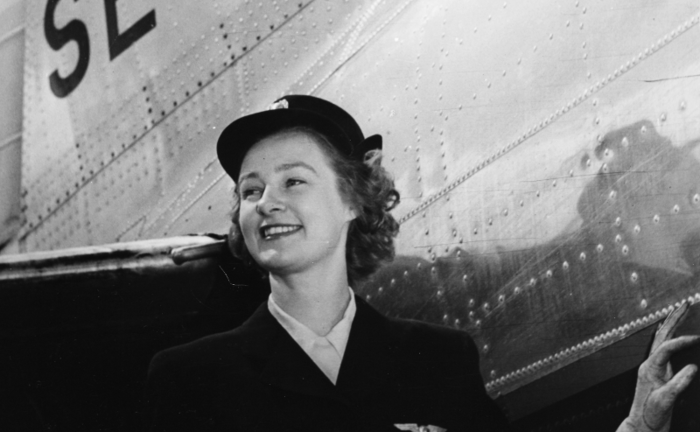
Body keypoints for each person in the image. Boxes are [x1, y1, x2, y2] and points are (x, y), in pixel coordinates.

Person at [146, 95, 699, 432]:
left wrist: (635, 427)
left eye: (293, 180)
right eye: (250, 190)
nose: (266, 202)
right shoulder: (190, 379)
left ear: (352, 201)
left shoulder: (439, 360)